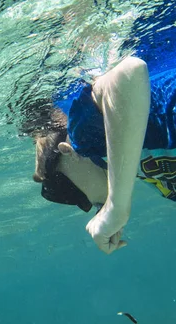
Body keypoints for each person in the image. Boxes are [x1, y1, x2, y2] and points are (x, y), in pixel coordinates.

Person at [31, 55, 176, 255]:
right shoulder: (135, 167)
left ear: (68, 152)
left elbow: (129, 72)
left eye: (76, 194)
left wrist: (116, 207)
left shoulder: (87, 137)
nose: (89, 205)